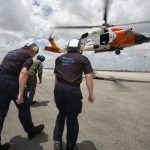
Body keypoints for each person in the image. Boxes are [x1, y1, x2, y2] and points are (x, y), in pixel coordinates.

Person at [0, 43, 44, 150]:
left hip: (1, 81)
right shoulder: (28, 56)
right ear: (33, 50)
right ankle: (31, 131)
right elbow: (24, 73)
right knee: (24, 108)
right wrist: (20, 94)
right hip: (13, 82)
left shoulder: (11, 52)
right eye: (35, 53)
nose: (34, 56)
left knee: (1, 113)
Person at [53, 39, 95, 150]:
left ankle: (57, 142)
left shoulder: (59, 58)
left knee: (61, 114)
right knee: (72, 118)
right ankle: (71, 146)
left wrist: (56, 91)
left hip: (59, 89)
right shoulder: (83, 59)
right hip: (72, 91)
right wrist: (91, 94)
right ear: (79, 47)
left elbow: (56, 78)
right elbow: (89, 77)